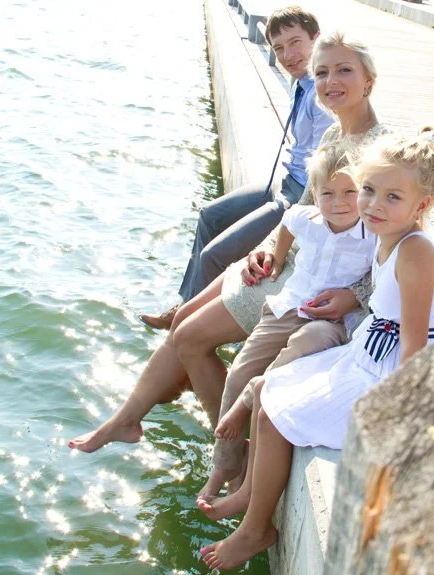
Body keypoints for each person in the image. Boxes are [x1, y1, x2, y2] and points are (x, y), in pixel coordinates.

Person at [67, 29, 388, 477]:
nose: (330, 81)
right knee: (183, 322)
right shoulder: (335, 134)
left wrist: (354, 294)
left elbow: (398, 245)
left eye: (343, 71)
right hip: (295, 260)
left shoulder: (384, 150)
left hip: (321, 283)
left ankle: (231, 454)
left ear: (369, 80)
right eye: (321, 73)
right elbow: (303, 211)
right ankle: (132, 419)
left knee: (190, 338)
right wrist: (265, 250)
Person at [200, 128, 434, 570]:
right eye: (370, 191)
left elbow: (417, 352)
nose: (374, 205)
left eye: (392, 197)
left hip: (390, 366)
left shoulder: (416, 252)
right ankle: (248, 495)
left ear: (422, 205)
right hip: (373, 345)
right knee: (267, 386)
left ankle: (255, 530)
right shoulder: (387, 235)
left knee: (277, 413)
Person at [198, 142, 374, 520]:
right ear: (315, 193)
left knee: (301, 347)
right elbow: (286, 227)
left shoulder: (372, 232)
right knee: (242, 367)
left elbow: (381, 274)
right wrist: (276, 259)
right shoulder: (306, 218)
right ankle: (226, 464)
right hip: (291, 305)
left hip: (333, 322)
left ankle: (247, 406)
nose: (340, 202)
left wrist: (353, 296)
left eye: (350, 192)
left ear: (363, 191)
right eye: (328, 193)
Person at [140, 5, 334, 329]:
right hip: (283, 180)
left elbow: (328, 166)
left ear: (317, 38)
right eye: (279, 48)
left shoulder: (324, 93)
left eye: (296, 42)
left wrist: (297, 218)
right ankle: (185, 304)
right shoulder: (302, 81)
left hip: (299, 196)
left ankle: (184, 332)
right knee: (209, 216)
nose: (288, 54)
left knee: (213, 256)